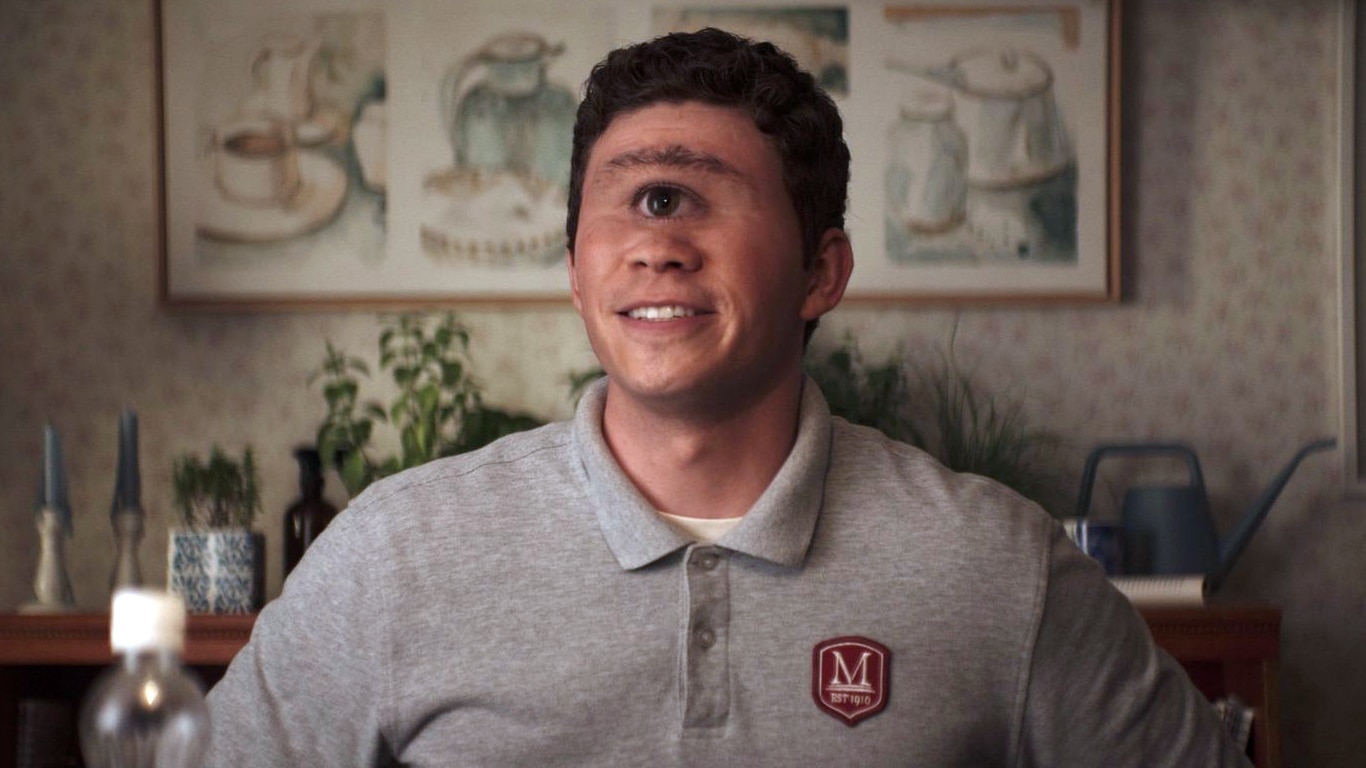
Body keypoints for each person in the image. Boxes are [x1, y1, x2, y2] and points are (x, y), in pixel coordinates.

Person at [204, 29, 1250, 767]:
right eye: (628, 202)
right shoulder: (394, 556)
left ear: (820, 272)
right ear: (575, 271)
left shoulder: (996, 569)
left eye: (692, 199)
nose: (654, 244)